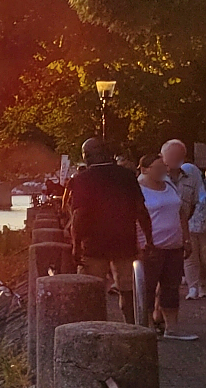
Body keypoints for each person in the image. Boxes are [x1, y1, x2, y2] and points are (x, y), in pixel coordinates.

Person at [67, 136, 152, 323]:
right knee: (128, 289)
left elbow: (79, 215)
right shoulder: (127, 176)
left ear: (87, 156)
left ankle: (92, 326)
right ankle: (132, 325)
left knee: (90, 290)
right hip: (124, 241)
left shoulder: (83, 179)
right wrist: (149, 239)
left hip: (94, 244)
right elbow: (141, 210)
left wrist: (76, 245)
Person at [139, 153, 199, 340]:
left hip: (174, 246)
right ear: (145, 170)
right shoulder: (138, 189)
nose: (163, 171)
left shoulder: (170, 185)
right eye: (158, 168)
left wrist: (186, 239)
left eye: (163, 167)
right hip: (151, 247)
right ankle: (147, 327)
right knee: (147, 288)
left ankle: (171, 327)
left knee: (171, 288)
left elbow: (181, 212)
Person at [164, 139, 206, 299]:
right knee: (189, 258)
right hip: (169, 229)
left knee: (201, 255)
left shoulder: (191, 173)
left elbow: (197, 198)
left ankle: (201, 285)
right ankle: (192, 287)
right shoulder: (159, 176)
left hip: (194, 222)